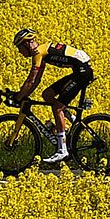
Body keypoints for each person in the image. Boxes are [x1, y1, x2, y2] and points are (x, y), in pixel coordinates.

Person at [13, 29, 95, 166]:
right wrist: (22, 94)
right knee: (47, 95)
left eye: (19, 48)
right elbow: (37, 80)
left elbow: (31, 81)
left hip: (83, 72)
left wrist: (18, 97)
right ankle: (71, 119)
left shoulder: (39, 53)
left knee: (57, 108)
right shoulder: (42, 52)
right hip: (81, 69)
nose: (19, 52)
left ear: (27, 44)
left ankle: (62, 150)